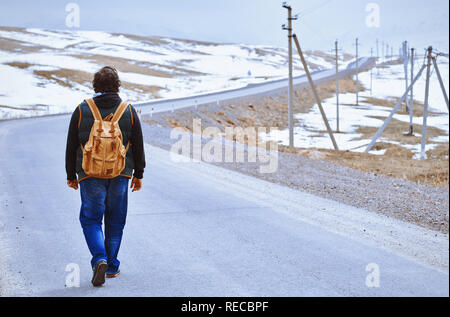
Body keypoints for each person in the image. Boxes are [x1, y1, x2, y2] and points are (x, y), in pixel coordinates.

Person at [65, 66, 146, 287]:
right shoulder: (128, 110)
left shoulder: (82, 109)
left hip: (89, 174)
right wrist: (138, 174)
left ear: (95, 85)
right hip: (120, 173)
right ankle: (111, 266)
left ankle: (99, 258)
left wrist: (71, 175)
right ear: (117, 85)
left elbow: (72, 145)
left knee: (91, 219)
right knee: (115, 220)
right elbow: (138, 145)